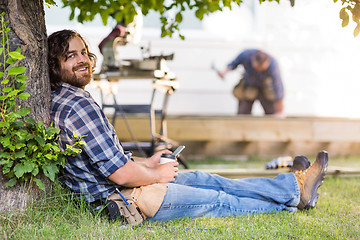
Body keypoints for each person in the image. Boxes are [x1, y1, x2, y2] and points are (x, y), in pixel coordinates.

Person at [48, 30, 328, 225]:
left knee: (210, 180)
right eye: (70, 56)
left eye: (83, 52)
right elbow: (121, 175)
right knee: (219, 201)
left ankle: (294, 187)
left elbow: (106, 159)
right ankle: (294, 199)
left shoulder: (67, 98)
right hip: (126, 198)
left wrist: (149, 161)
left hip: (124, 187)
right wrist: (156, 172)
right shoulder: (77, 106)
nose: (82, 59)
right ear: (54, 64)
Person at [219, 49, 284, 116]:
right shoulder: (245, 55)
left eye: (262, 69)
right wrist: (224, 72)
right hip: (249, 85)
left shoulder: (273, 64)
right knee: (243, 114)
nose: (259, 71)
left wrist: (280, 112)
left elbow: (278, 87)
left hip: (265, 88)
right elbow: (233, 64)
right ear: (253, 60)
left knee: (272, 113)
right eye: (257, 68)